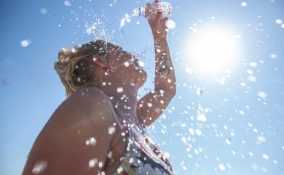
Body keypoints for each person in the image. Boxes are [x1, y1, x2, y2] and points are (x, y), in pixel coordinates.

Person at [22, 1, 176, 175]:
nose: (132, 54)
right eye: (120, 50)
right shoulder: (92, 107)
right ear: (101, 61)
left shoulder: (136, 119)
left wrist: (159, 35)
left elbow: (166, 89)